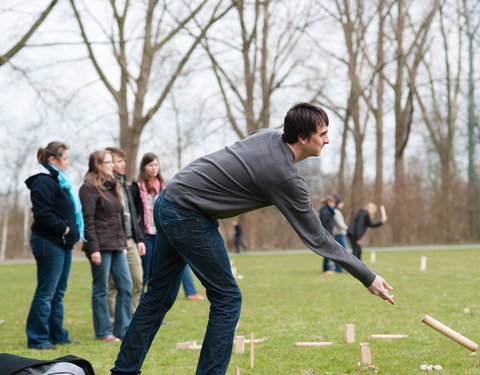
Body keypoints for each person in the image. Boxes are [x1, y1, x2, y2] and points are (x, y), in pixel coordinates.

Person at [111, 102, 395, 375]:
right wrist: (367, 276)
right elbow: (319, 237)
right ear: (302, 137)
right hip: (188, 214)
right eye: (323, 134)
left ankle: (123, 371)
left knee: (158, 296)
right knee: (227, 298)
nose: (328, 140)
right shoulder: (284, 177)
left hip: (169, 200)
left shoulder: (267, 135)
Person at [25, 141, 82, 350]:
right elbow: (42, 213)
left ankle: (57, 334)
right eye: (65, 158)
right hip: (48, 242)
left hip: (62, 244)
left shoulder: (59, 180)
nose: (67, 162)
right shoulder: (42, 181)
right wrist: (64, 228)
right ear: (52, 159)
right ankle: (37, 337)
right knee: (47, 292)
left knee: (58, 292)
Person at [130, 152, 204, 300]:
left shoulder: (164, 186)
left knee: (164, 271)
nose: (153, 168)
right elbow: (133, 213)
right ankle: (138, 308)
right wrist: (138, 237)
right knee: (145, 275)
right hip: (146, 236)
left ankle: (182, 295)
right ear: (143, 167)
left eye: (156, 164)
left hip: (163, 233)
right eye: (150, 165)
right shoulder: (136, 187)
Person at [79, 150, 132, 342]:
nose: (112, 165)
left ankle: (123, 330)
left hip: (117, 245)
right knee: (101, 289)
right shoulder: (88, 189)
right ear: (98, 165)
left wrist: (123, 244)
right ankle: (103, 332)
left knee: (126, 286)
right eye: (108, 162)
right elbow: (88, 220)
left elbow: (118, 218)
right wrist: (93, 248)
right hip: (100, 247)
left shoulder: (112, 185)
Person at [105, 147, 146, 316]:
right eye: (119, 161)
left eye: (123, 161)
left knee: (138, 280)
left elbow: (133, 214)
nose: (123, 164)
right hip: (115, 241)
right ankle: (115, 319)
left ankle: (134, 317)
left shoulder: (126, 186)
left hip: (131, 240)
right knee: (114, 284)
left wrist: (140, 239)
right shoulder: (105, 186)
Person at [319, 196, 336, 274]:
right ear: (329, 202)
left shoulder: (328, 210)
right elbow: (324, 224)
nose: (334, 204)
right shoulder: (325, 211)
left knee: (328, 251)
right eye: (333, 203)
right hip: (326, 234)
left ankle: (327, 269)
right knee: (327, 251)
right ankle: (326, 270)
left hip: (328, 233)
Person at [332, 196, 349, 272]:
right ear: (338, 204)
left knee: (341, 252)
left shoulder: (337, 211)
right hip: (339, 234)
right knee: (342, 252)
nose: (343, 205)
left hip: (340, 234)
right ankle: (339, 269)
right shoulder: (336, 211)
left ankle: (340, 269)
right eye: (342, 204)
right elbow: (340, 224)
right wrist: (348, 228)